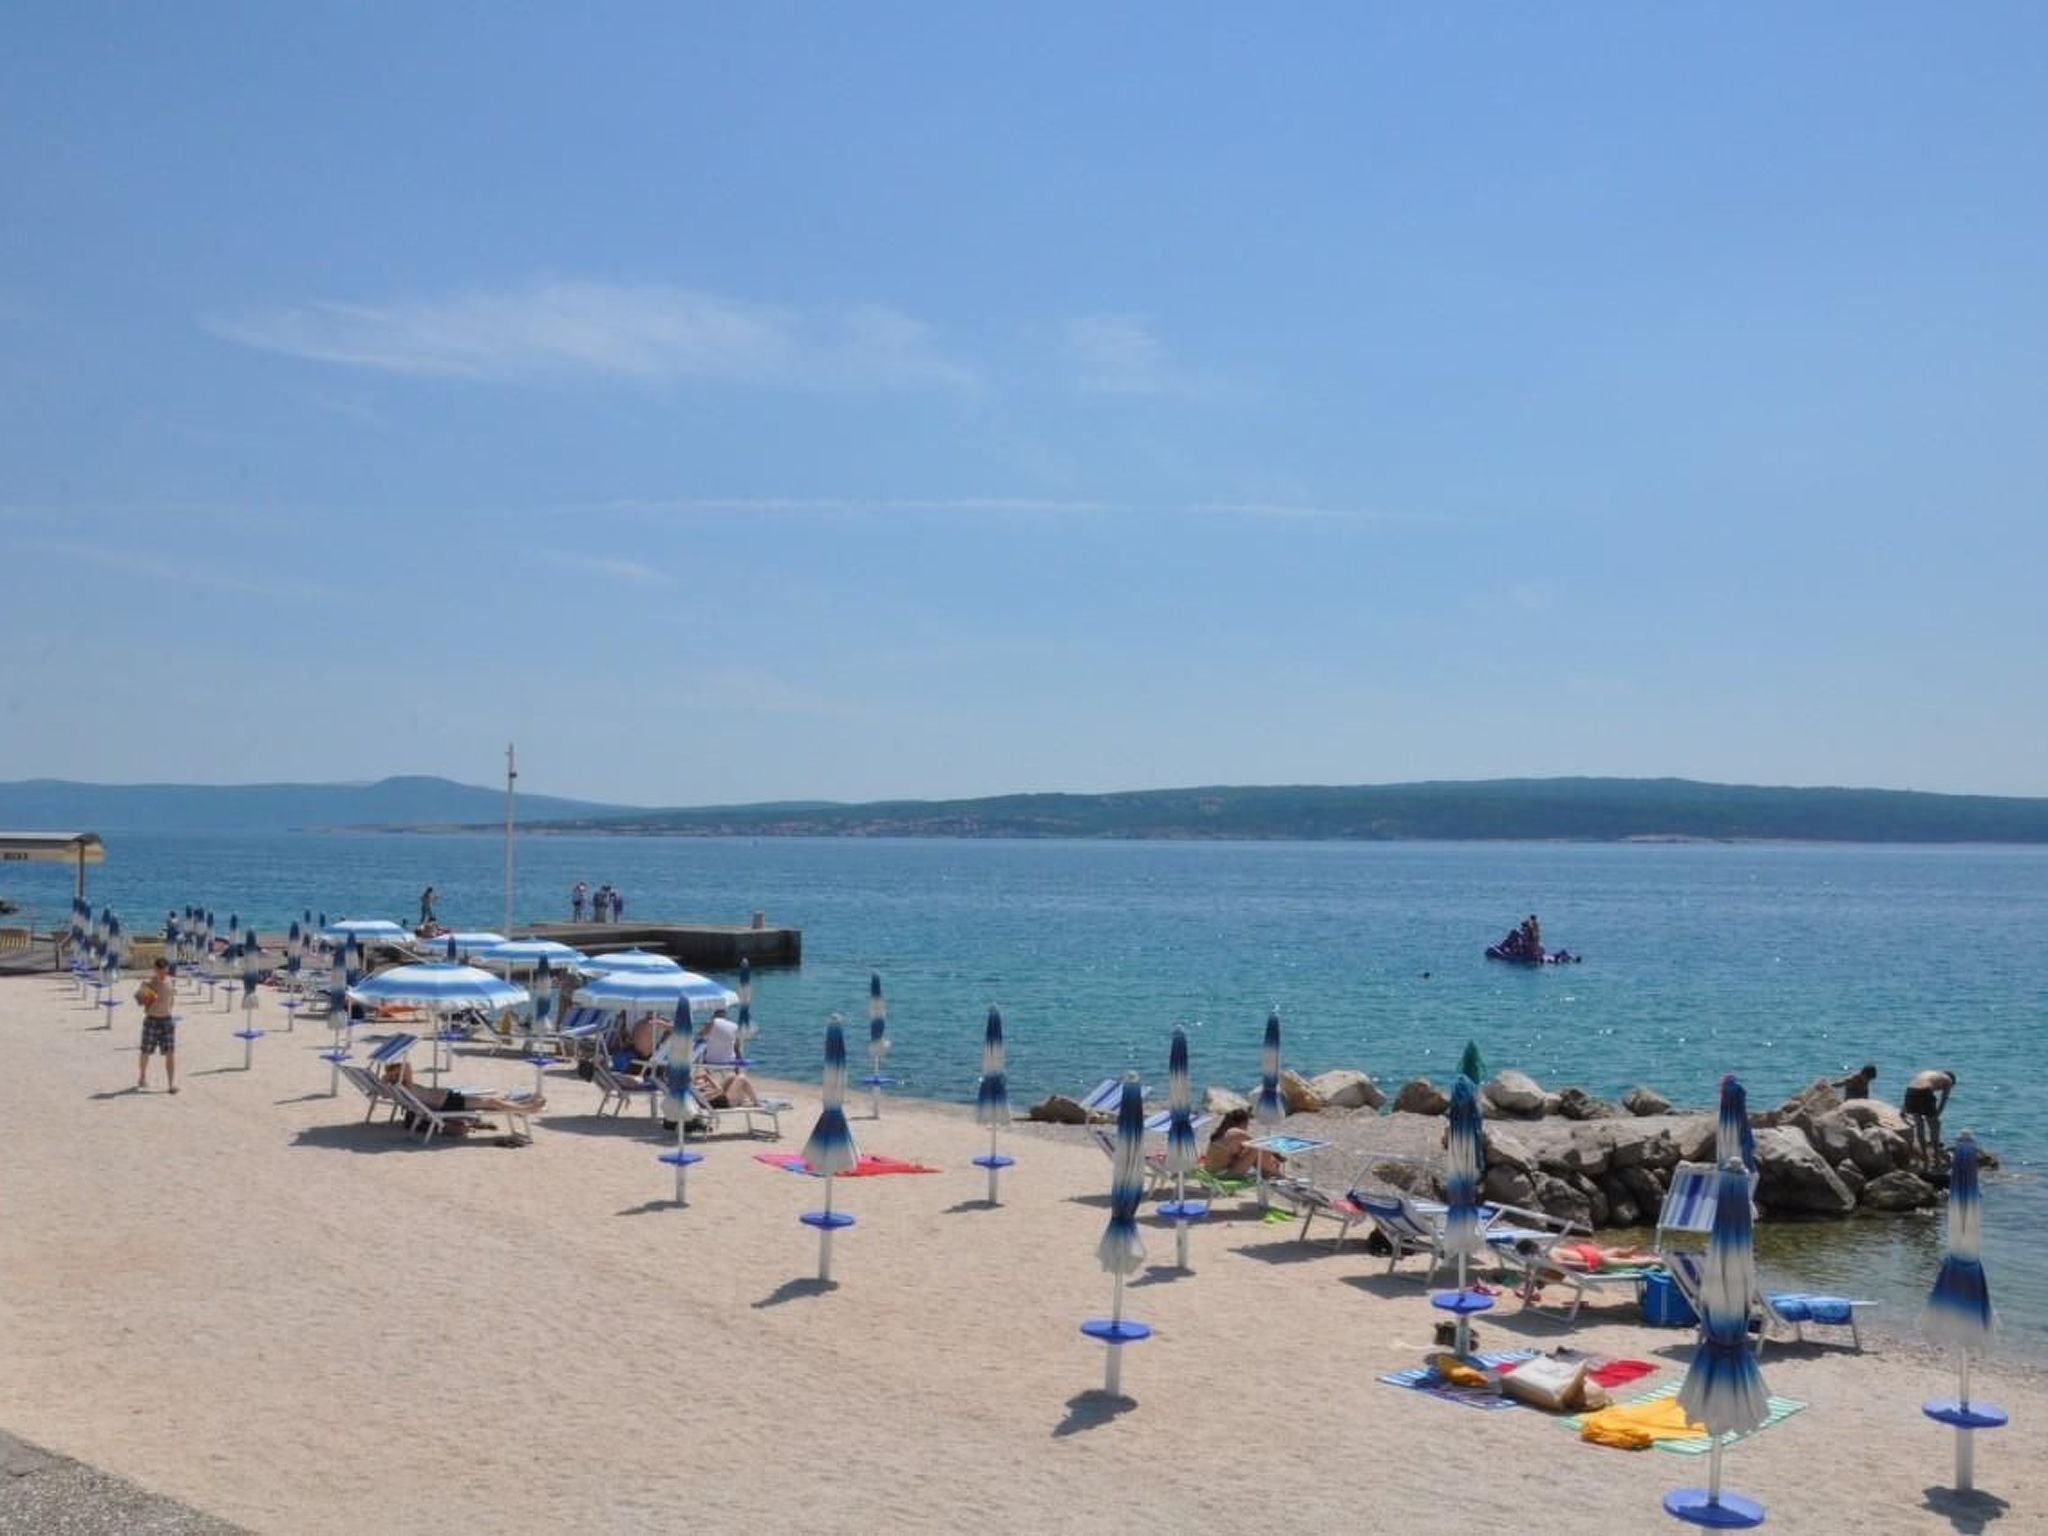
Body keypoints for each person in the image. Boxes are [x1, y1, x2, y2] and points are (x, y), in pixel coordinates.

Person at [381, 1061, 543, 1117]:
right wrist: (394, 1071)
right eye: (398, 1071)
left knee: (490, 1101)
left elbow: (382, 1087)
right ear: (397, 1074)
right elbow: (408, 1065)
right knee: (491, 1101)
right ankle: (526, 1109)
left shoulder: (398, 1088)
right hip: (447, 1103)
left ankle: (524, 1102)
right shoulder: (406, 1087)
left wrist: (388, 1075)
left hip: (446, 1099)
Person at [134, 957, 179, 1093]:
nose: (162, 974)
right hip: (152, 1020)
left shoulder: (171, 981)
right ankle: (142, 1077)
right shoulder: (150, 983)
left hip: (167, 1020)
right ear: (155, 970)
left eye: (164, 972)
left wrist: (169, 1010)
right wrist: (146, 995)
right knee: (146, 1051)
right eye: (159, 972)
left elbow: (172, 999)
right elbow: (139, 1000)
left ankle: (171, 1084)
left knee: (170, 1052)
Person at [1203, 1106, 1284, 1178]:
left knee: (1253, 1150)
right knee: (1256, 1148)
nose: (1247, 1127)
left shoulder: (1222, 1133)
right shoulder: (1234, 1132)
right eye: (1247, 1124)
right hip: (1222, 1174)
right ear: (1243, 1122)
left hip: (1213, 1172)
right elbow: (1258, 1143)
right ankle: (1279, 1175)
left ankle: (1271, 1173)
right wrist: (1278, 1156)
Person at [1902, 1069, 1956, 1165]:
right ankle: (1936, 1158)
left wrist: (1902, 1110)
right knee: (1935, 1127)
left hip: (1910, 1091)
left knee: (1919, 1125)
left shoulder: (1929, 1074)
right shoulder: (1948, 1080)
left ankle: (1925, 1157)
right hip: (1924, 1092)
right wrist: (1936, 1117)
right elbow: (1943, 1100)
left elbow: (1913, 1089)